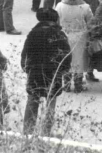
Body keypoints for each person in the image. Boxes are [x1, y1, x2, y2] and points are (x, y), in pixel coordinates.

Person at [21, 7, 72, 136]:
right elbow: (66, 54)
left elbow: (25, 53)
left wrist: (26, 68)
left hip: (35, 72)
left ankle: (27, 131)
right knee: (51, 102)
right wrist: (64, 69)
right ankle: (46, 132)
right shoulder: (59, 34)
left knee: (33, 100)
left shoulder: (33, 33)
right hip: (53, 72)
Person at [55, 0, 94, 92]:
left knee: (65, 59)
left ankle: (66, 85)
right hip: (80, 37)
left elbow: (56, 20)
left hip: (64, 35)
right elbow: (91, 22)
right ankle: (78, 85)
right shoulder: (85, 7)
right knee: (79, 60)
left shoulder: (59, 6)